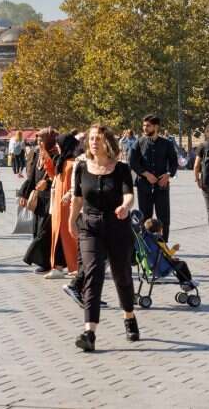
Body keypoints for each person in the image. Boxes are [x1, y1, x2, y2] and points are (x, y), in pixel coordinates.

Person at [68, 124, 138, 352]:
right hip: (89, 226)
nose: (93, 142)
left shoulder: (121, 169)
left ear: (108, 142)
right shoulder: (81, 167)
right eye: (91, 139)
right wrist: (71, 220)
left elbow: (129, 195)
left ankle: (129, 316)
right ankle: (89, 332)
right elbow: (78, 199)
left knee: (122, 276)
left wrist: (125, 207)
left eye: (98, 139)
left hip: (117, 225)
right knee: (92, 274)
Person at [128, 115, 177, 241]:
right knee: (144, 217)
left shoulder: (167, 144)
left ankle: (164, 245)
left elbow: (173, 162)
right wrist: (145, 174)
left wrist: (168, 175)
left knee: (164, 217)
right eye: (144, 125)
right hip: (143, 186)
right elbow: (132, 162)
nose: (145, 128)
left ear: (156, 127)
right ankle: (146, 245)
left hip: (162, 186)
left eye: (148, 126)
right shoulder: (138, 143)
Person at [20, 127, 58, 273]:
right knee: (36, 229)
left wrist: (47, 184)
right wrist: (24, 194)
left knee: (44, 231)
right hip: (38, 198)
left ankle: (45, 262)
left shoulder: (56, 155)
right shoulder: (38, 153)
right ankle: (42, 260)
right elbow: (32, 177)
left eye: (42, 139)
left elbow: (57, 176)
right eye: (38, 139)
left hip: (50, 197)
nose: (39, 142)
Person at [47, 133, 81, 280]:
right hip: (58, 206)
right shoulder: (63, 161)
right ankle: (58, 267)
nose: (57, 147)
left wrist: (69, 194)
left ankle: (76, 266)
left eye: (59, 144)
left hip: (69, 206)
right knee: (58, 237)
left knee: (70, 236)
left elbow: (76, 184)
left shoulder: (74, 163)